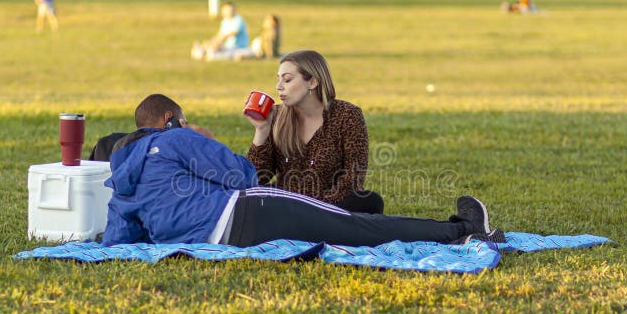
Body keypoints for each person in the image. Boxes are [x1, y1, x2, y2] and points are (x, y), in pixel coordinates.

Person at [102, 94, 505, 248]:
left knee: (350, 228)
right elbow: (243, 176)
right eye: (185, 120)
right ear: (171, 118)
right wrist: (205, 139)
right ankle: (463, 231)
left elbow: (117, 243)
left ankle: (454, 233)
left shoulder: (121, 180)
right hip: (251, 210)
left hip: (223, 241)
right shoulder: (174, 140)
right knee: (358, 227)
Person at [245, 50, 384, 214]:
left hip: (330, 206)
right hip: (287, 203)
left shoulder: (347, 115)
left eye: (287, 79)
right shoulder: (276, 116)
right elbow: (255, 178)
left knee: (369, 201)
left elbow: (353, 178)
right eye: (278, 79)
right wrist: (261, 130)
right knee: (248, 197)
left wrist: (315, 208)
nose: (279, 86)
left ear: (312, 82)